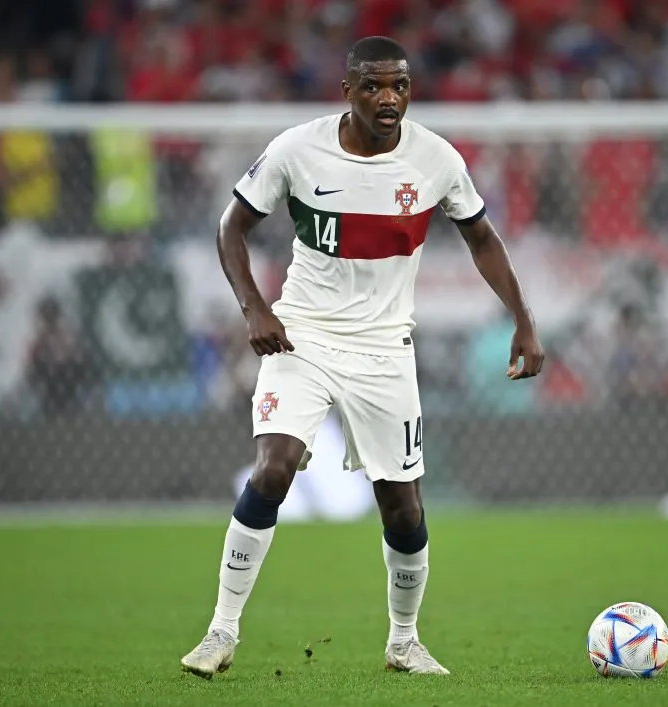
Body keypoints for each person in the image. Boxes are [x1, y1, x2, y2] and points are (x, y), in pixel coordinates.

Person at [180, 36, 544, 679]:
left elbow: (482, 238)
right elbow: (230, 226)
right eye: (374, 86)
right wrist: (256, 310)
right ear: (347, 90)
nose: (388, 99)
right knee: (273, 469)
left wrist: (523, 320)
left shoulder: (435, 159)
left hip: (384, 350)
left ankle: (404, 641)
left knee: (402, 506)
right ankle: (220, 631)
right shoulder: (297, 149)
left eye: (399, 86)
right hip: (303, 335)